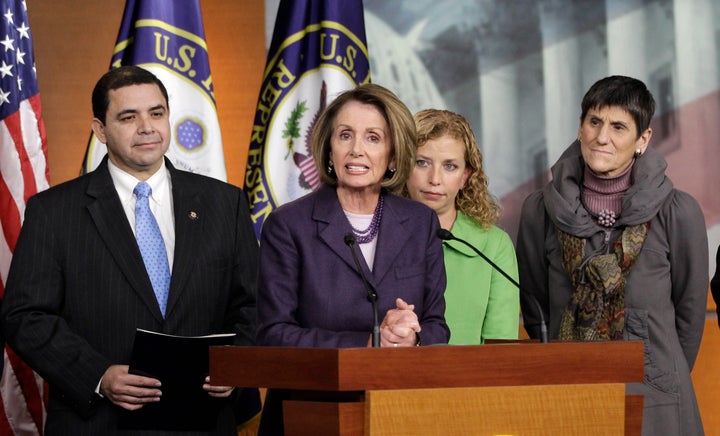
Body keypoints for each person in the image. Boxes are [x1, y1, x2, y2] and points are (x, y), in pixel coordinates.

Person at [1, 66, 259, 435]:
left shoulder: (225, 203)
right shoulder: (53, 211)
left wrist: (235, 366)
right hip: (100, 423)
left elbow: (252, 305)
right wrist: (97, 375)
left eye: (156, 113)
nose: (147, 127)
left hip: (203, 420)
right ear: (100, 130)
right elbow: (24, 315)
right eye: (128, 117)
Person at [516, 75, 707, 436]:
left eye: (619, 126)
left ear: (643, 140)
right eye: (594, 122)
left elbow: (689, 316)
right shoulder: (539, 210)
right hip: (570, 389)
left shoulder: (677, 211)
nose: (602, 137)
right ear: (580, 127)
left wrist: (659, 372)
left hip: (658, 398)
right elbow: (536, 307)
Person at [256, 83, 450, 434]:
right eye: (345, 135)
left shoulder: (420, 222)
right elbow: (274, 334)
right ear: (329, 149)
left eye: (373, 138)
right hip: (308, 413)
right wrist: (367, 343)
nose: (357, 150)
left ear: (393, 155)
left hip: (398, 414)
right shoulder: (289, 225)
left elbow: (437, 324)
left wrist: (412, 339)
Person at [405, 109, 519, 344]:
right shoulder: (375, 235)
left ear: (466, 176)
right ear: (404, 166)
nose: (435, 179)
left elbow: (501, 348)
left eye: (450, 166)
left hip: (472, 380)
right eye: (422, 162)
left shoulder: (493, 245)